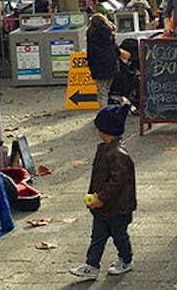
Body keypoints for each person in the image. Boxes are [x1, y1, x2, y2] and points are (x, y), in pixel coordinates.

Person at [70, 104, 136, 281]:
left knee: (119, 235)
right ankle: (92, 264)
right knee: (97, 236)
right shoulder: (106, 149)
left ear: (104, 129)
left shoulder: (117, 154)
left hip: (118, 207)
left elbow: (117, 181)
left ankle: (126, 259)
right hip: (104, 207)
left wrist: (100, 197)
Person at [87, 14, 121, 109]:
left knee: (101, 90)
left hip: (97, 65)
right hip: (111, 63)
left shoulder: (90, 34)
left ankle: (104, 110)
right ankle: (112, 107)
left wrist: (90, 65)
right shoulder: (108, 32)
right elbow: (114, 48)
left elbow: (90, 52)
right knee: (109, 87)